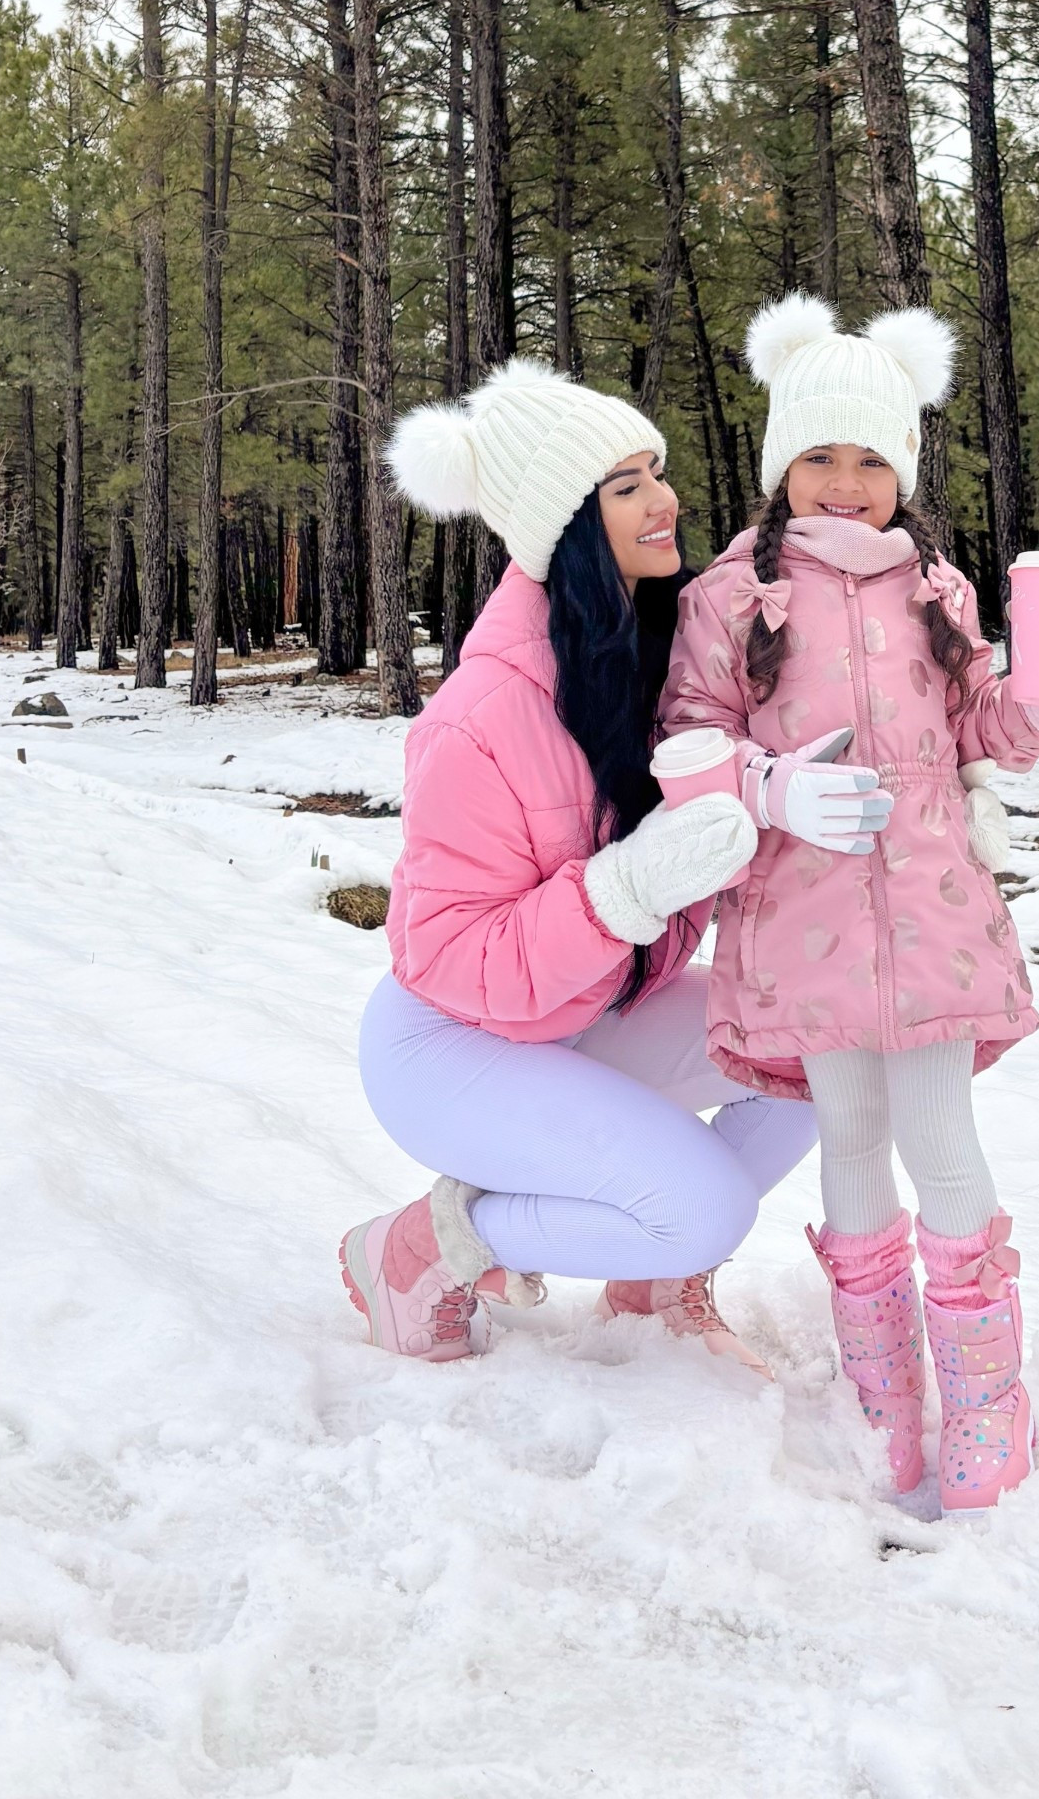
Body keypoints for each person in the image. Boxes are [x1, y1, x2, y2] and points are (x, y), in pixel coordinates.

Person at [661, 295, 1039, 1510]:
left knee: (938, 1129)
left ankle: (984, 1396)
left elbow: (984, 728)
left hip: (931, 899)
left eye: (871, 459)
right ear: (780, 465)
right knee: (849, 1130)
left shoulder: (940, 589)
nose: (846, 482)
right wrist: (768, 790)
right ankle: (883, 1387)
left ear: (902, 472)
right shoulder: (729, 596)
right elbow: (689, 738)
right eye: (821, 456)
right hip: (798, 906)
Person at [341, 360, 868, 1375]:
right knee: (698, 1208)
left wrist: (776, 792)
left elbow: (716, 807)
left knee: (815, 1044)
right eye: (626, 486)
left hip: (594, 1004)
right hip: (454, 1042)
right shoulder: (481, 716)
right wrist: (625, 887)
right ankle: (424, 1244)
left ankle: (653, 1289)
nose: (664, 498)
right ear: (567, 527)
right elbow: (447, 952)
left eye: (656, 470)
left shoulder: (658, 655)